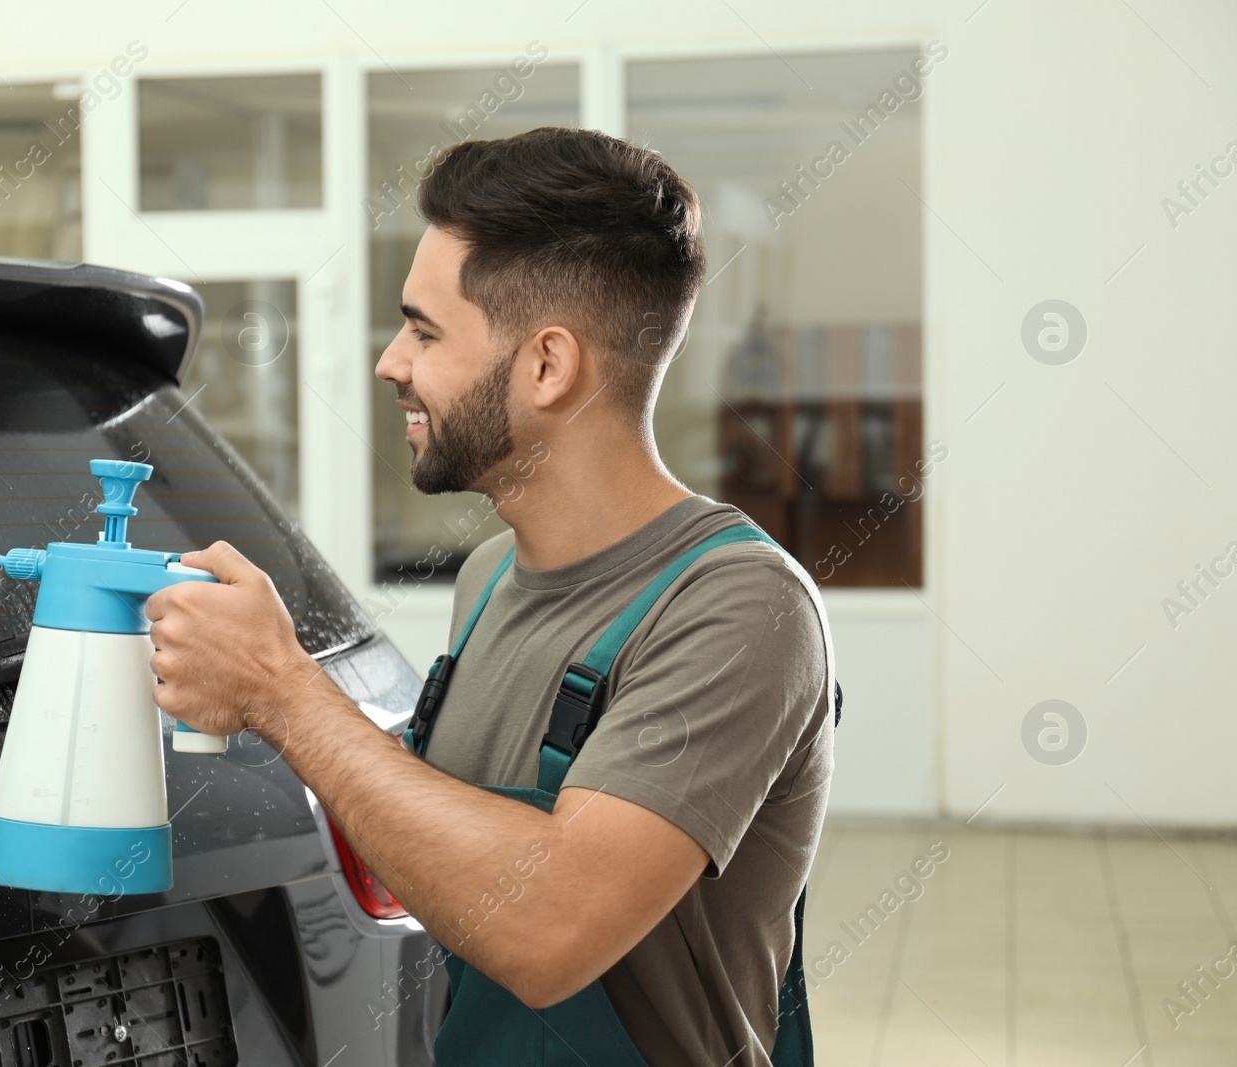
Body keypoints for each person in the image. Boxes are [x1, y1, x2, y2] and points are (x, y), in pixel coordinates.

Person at [146, 126, 835, 1067]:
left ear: (547, 366)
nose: (391, 362)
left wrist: (281, 690)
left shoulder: (738, 610)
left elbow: (548, 928)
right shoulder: (486, 583)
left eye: (425, 331)